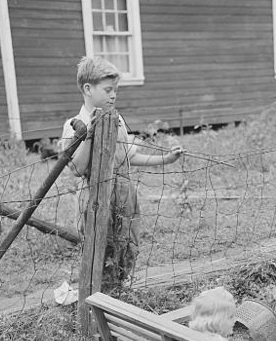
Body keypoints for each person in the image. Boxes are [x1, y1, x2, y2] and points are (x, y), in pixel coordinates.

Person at [59, 56, 183, 290]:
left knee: (126, 244)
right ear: (88, 88)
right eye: (107, 90)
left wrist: (166, 158)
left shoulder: (118, 119)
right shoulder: (75, 123)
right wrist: (89, 134)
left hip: (124, 194)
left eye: (115, 90)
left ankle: (120, 289)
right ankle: (98, 294)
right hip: (95, 198)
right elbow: (76, 169)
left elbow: (128, 156)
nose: (113, 95)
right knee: (99, 249)